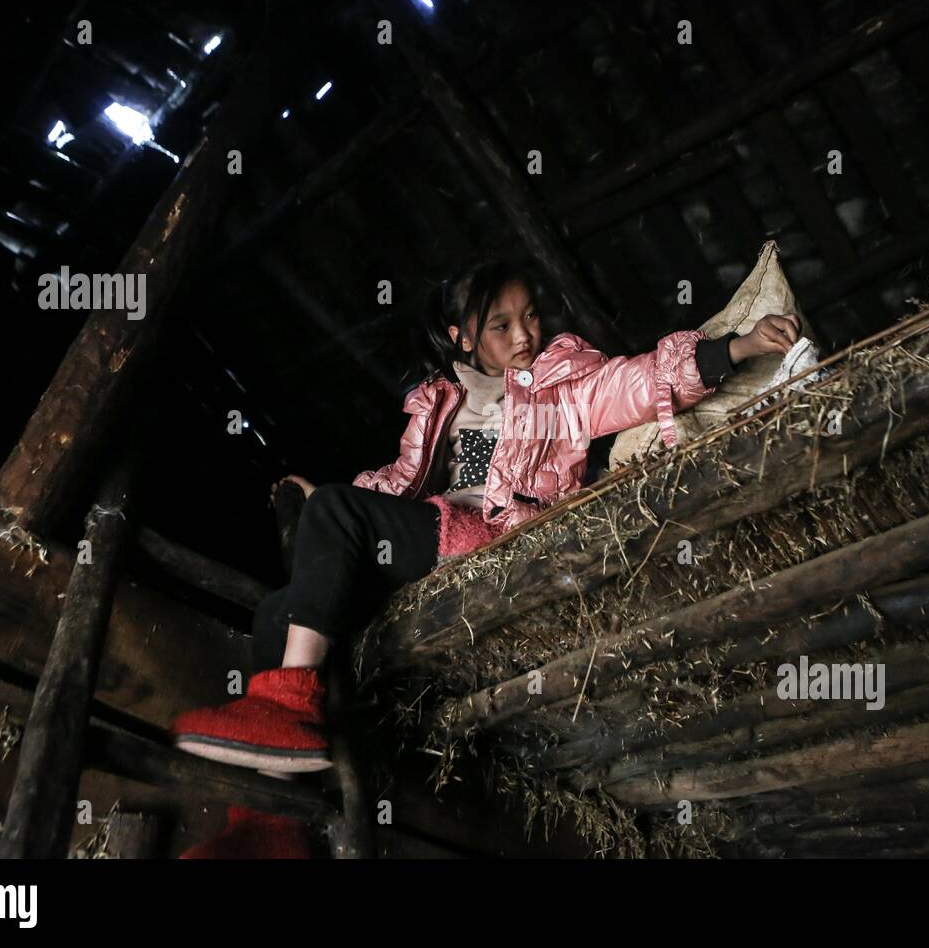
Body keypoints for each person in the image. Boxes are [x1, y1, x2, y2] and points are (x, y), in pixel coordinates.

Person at [169, 257, 800, 857]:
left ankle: (291, 700)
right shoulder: (438, 404)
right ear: (461, 336)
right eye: (502, 324)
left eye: (529, 315)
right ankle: (266, 826)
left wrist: (737, 347)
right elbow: (398, 485)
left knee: (335, 518)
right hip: (429, 533)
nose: (525, 333)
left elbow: (642, 381)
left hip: (494, 536)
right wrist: (328, 500)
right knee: (275, 612)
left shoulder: (563, 387)